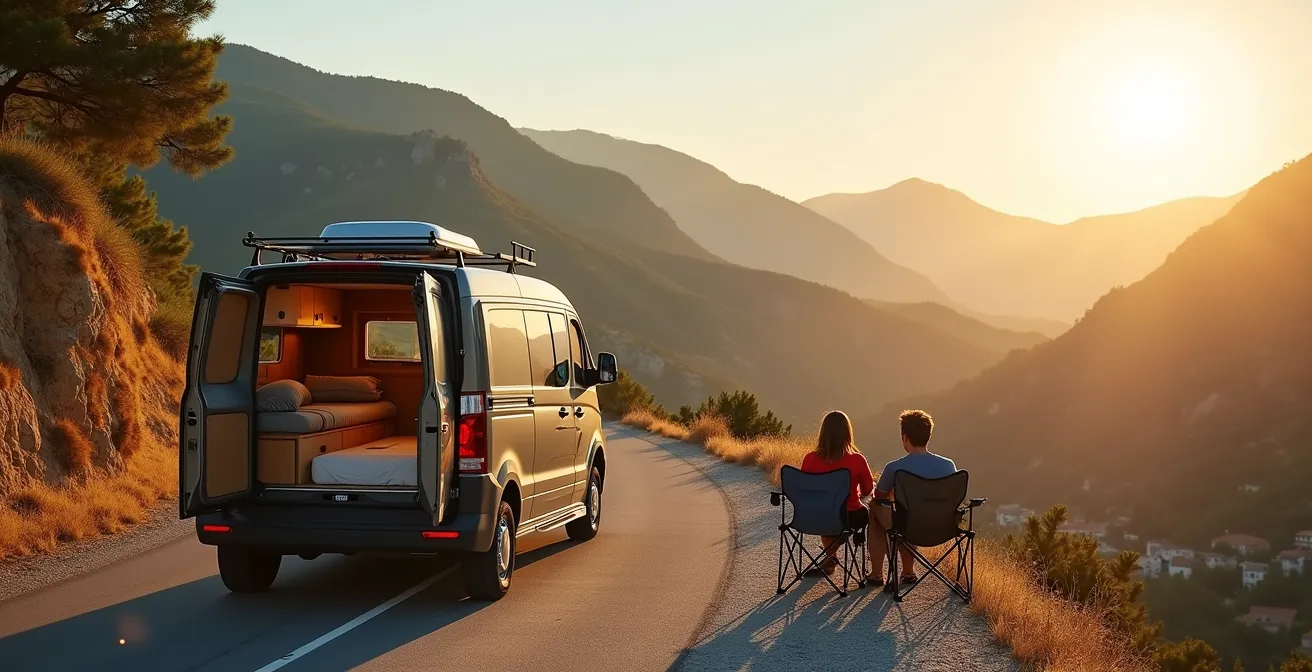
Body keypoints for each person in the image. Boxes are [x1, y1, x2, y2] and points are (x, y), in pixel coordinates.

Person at [867, 409, 957, 587]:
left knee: (876, 506)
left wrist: (894, 493)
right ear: (928, 436)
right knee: (910, 511)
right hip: (943, 527)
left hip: (908, 525)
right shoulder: (948, 466)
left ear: (904, 437)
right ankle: (908, 572)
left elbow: (879, 496)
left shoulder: (895, 468)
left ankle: (877, 574)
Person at [800, 410, 875, 576]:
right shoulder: (857, 459)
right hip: (850, 517)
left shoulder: (810, 459)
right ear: (848, 433)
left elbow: (804, 490)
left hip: (816, 516)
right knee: (868, 505)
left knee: (828, 514)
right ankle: (836, 556)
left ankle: (830, 558)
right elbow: (868, 490)